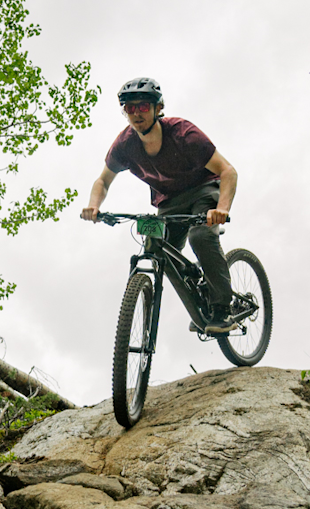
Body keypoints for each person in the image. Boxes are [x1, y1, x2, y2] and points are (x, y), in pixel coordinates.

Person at [81, 77, 238, 333]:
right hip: (167, 203)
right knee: (155, 249)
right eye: (129, 108)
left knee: (200, 237)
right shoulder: (125, 145)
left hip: (203, 191)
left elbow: (228, 171)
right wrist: (93, 206)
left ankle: (222, 308)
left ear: (158, 108)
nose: (136, 114)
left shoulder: (184, 133)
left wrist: (222, 209)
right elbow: (103, 181)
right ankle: (199, 295)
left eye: (143, 106)